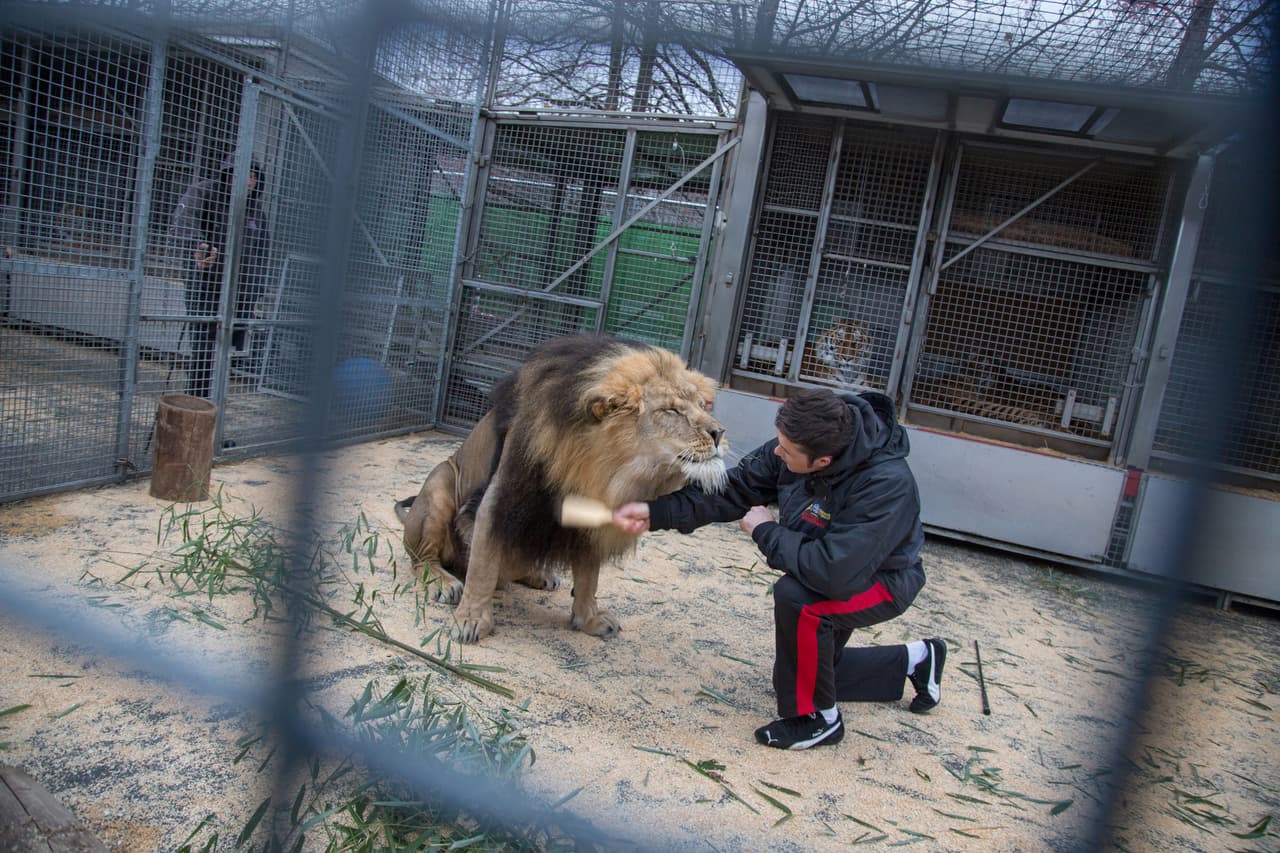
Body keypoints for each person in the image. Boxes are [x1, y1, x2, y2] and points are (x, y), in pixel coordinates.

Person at [612, 388, 945, 750]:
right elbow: (734, 490)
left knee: (800, 600)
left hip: (882, 581)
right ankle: (917, 659)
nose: (776, 451)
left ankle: (817, 718)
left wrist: (765, 531)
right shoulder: (803, 440)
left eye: (786, 450)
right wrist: (656, 513)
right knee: (808, 669)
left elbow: (834, 573)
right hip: (837, 568)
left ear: (822, 462)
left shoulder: (886, 484)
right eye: (780, 440)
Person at [172, 153, 271, 398]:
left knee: (228, 354)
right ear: (227, 175)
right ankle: (198, 404)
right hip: (207, 287)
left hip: (240, 294)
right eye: (242, 175)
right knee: (204, 350)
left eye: (252, 176)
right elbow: (184, 218)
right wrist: (199, 246)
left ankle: (215, 410)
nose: (247, 181)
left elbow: (263, 254)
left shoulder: (256, 212)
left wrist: (255, 292)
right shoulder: (204, 192)